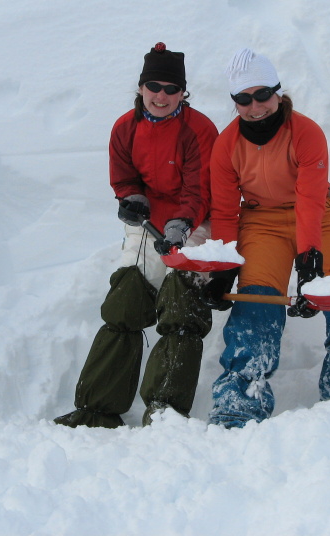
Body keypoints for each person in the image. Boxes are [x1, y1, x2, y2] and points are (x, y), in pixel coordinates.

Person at [201, 48, 330, 429]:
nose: (255, 107)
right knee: (257, 303)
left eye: (263, 95)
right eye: (243, 99)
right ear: (234, 102)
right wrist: (222, 269)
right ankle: (240, 400)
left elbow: (310, 200)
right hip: (261, 221)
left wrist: (309, 263)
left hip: (318, 213)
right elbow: (223, 211)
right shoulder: (226, 145)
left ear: (278, 92)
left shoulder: (306, 132)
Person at [55, 43, 219, 428]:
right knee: (125, 302)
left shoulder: (199, 129)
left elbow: (199, 190)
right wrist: (130, 199)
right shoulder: (124, 128)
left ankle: (165, 410)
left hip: (193, 224)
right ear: (141, 87)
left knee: (181, 305)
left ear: (182, 93)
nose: (161, 96)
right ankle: (97, 409)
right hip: (148, 223)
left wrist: (181, 226)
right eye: (153, 86)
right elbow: (124, 178)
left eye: (170, 88)